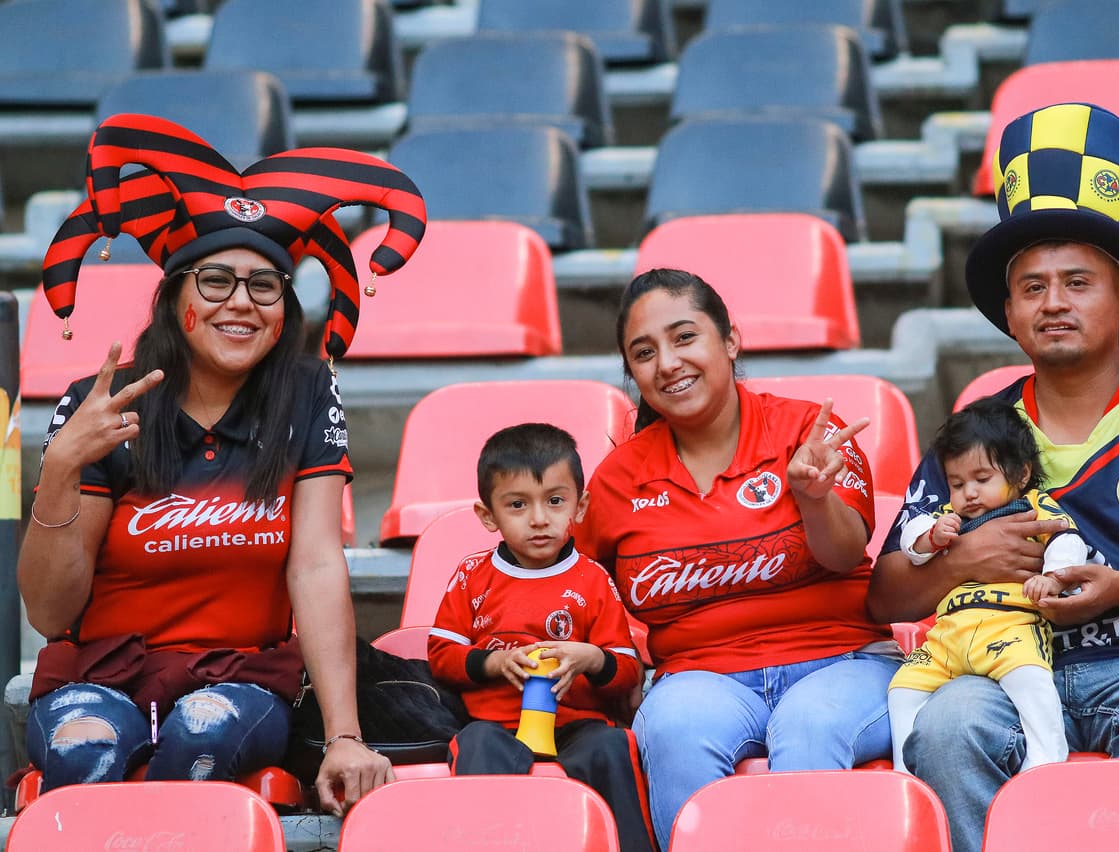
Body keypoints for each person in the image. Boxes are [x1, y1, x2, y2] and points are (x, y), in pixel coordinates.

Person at [868, 102, 1119, 852]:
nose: (1053, 302)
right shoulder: (977, 429)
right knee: (947, 726)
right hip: (994, 665)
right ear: (1009, 313)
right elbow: (886, 594)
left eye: (1078, 282)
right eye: (1032, 288)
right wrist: (963, 560)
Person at [18, 112, 427, 815]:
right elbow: (49, 610)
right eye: (215, 281)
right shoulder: (98, 404)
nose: (241, 302)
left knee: (199, 741)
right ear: (174, 297)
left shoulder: (306, 392)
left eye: (265, 285)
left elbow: (316, 565)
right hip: (100, 675)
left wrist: (345, 737)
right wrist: (59, 470)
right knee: (85, 751)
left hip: (240, 680)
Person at [576, 268, 903, 851]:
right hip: (699, 677)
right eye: (644, 353)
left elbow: (845, 553)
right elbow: (576, 587)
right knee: (674, 728)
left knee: (807, 725)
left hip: (844, 662)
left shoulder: (808, 431)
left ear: (730, 341)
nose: (667, 363)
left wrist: (812, 497)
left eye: (685, 337)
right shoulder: (617, 479)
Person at [427, 423, 654, 852]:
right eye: (517, 504)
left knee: (612, 745)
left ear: (580, 507)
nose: (538, 519)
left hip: (577, 724)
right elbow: (441, 655)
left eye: (554, 501)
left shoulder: (593, 579)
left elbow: (627, 670)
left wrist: (591, 658)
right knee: (475, 744)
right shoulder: (472, 575)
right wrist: (494, 662)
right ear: (488, 516)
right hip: (497, 725)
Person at [888, 396, 1100, 774]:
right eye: (957, 484)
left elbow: (1067, 539)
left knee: (1030, 680)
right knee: (902, 689)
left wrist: (1052, 577)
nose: (969, 493)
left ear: (1021, 474)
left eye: (982, 480)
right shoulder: (948, 519)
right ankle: (907, 774)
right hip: (948, 638)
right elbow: (911, 543)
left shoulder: (1033, 507)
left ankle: (1045, 761)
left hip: (1011, 627)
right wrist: (930, 538)